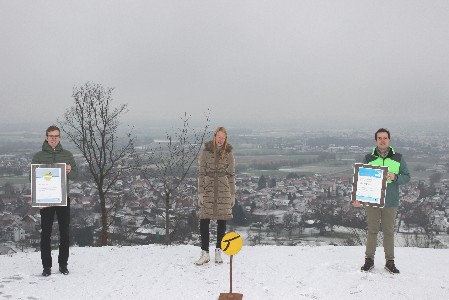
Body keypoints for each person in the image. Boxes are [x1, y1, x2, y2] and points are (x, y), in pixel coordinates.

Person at [353, 128, 410, 274]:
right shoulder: (368, 158)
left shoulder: (398, 158)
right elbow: (362, 179)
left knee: (389, 232)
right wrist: (357, 198)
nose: (382, 140)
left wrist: (395, 177)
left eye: (385, 138)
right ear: (376, 140)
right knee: (372, 230)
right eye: (380, 138)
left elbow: (407, 176)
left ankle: (390, 262)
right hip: (372, 201)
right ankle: (369, 260)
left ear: (389, 140)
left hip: (390, 201)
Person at [32, 125, 78, 276]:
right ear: (46, 137)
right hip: (45, 201)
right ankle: (46, 267)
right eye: (50, 136)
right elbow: (32, 178)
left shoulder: (67, 155)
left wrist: (70, 171)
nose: (53, 138)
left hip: (63, 199)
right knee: (46, 233)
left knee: (65, 233)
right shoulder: (38, 156)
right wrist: (38, 198)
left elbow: (75, 176)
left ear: (60, 138)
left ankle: (63, 265)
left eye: (56, 136)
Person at [195, 127, 236, 265]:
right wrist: (200, 192)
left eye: (223, 137)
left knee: (221, 221)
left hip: (224, 189)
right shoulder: (206, 152)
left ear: (225, 139)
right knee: (204, 220)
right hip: (208, 187)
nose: (220, 139)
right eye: (218, 136)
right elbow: (201, 173)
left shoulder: (229, 153)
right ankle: (205, 252)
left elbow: (231, 174)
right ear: (214, 136)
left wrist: (232, 193)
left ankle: (218, 251)